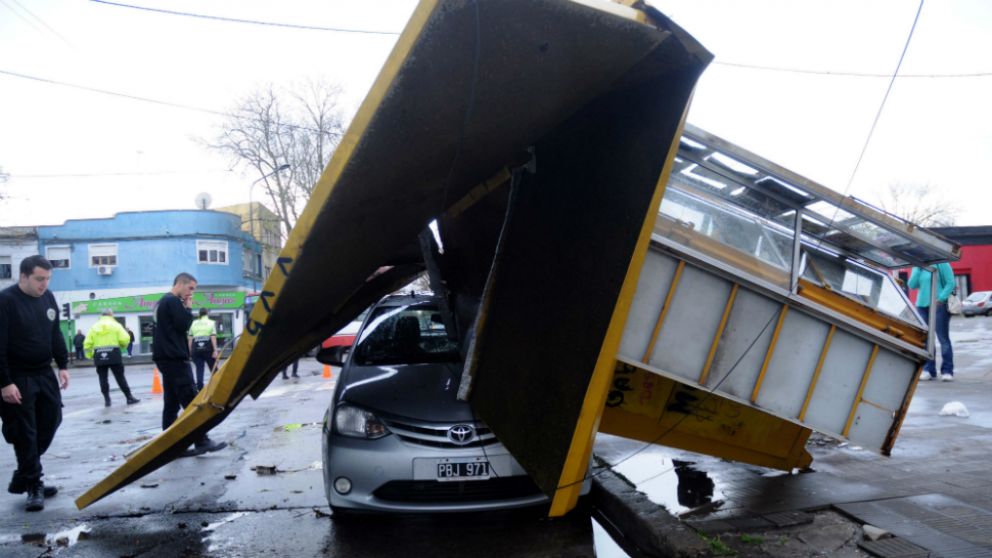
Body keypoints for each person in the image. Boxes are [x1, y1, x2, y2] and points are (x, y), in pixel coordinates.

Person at [0, 255, 70, 512]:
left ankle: (25, 474)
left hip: (44, 372)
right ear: (23, 277)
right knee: (25, 432)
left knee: (52, 420)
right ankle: (33, 485)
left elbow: (55, 333)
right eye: (40, 279)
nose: (44, 284)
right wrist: (4, 382)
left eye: (48, 279)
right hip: (17, 377)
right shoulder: (5, 301)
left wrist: (62, 365)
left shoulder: (48, 298)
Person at [152, 273, 225, 457]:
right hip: (175, 358)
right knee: (191, 400)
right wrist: (188, 307)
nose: (191, 293)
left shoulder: (162, 301)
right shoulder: (173, 301)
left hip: (166, 358)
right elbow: (184, 324)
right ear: (180, 284)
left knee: (171, 403)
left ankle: (170, 447)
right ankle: (201, 440)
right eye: (190, 288)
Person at [908, 262, 955, 381]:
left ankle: (947, 371)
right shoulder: (918, 265)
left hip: (939, 305)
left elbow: (950, 283)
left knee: (943, 338)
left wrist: (941, 298)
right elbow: (912, 285)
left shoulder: (942, 263)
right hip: (922, 306)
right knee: (927, 339)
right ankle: (929, 370)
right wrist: (918, 268)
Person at [84, 309, 139, 406]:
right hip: (114, 354)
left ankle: (107, 400)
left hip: (99, 355)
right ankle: (129, 397)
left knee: (103, 378)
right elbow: (125, 339)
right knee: (120, 377)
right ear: (110, 315)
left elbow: (87, 344)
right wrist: (122, 347)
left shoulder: (94, 326)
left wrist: (91, 355)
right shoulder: (116, 325)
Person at [188, 308, 218, 391]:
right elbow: (213, 337)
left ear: (199, 314)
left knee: (199, 368)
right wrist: (215, 350)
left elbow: (190, 338)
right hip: (208, 349)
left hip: (196, 349)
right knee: (213, 368)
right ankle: (217, 385)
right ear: (207, 313)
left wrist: (190, 351)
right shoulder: (211, 323)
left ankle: (200, 387)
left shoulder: (194, 323)